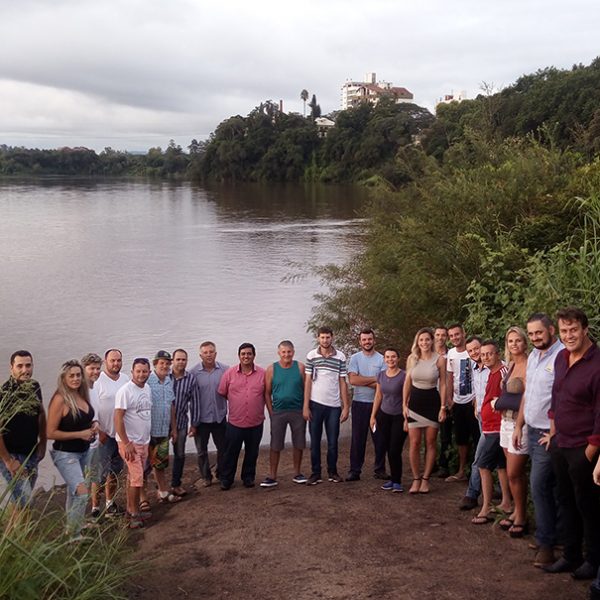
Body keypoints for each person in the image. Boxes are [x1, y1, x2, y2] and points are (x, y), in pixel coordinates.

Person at [542, 307, 600, 580]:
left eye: (573, 329)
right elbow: (557, 395)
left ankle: (594, 561)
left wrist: (591, 448)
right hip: (561, 443)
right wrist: (553, 429)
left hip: (584, 448)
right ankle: (571, 554)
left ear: (585, 329)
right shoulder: (561, 358)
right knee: (565, 500)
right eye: (564, 330)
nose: (568, 335)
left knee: (588, 505)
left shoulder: (597, 363)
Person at [513, 313, 563, 567]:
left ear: (551, 330)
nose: (534, 338)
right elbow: (528, 394)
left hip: (549, 433)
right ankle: (555, 537)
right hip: (532, 430)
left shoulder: (561, 356)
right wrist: (519, 424)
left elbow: (563, 398)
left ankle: (546, 545)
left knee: (539, 485)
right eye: (531, 334)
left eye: (538, 333)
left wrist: (555, 431)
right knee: (551, 488)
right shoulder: (533, 356)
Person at [47, 360, 97, 540]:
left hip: (84, 451)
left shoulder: (81, 394)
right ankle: (74, 537)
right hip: (65, 454)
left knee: (73, 491)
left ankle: (73, 527)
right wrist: (80, 434)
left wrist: (94, 424)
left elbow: (86, 418)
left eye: (78, 375)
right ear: (64, 378)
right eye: (72, 376)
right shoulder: (60, 399)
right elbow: (50, 432)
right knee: (82, 493)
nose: (76, 379)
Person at [471, 340, 511, 525]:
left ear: (497, 354)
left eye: (490, 353)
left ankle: (486, 507)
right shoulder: (491, 373)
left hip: (497, 427)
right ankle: (506, 503)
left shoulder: (503, 372)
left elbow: (509, 397)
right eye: (483, 354)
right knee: (501, 466)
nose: (486, 357)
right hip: (488, 426)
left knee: (483, 465)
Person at [303, 327, 350, 485]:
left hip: (334, 406)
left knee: (332, 442)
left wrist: (346, 406)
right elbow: (308, 381)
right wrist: (306, 406)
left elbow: (342, 382)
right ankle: (315, 473)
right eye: (322, 337)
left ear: (332, 337)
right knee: (315, 441)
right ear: (318, 338)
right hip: (315, 404)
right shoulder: (311, 355)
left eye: (328, 337)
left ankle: (333, 472)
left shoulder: (341, 357)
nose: (325, 340)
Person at [0, 350, 46, 508]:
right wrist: (8, 461)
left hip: (31, 452)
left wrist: (43, 442)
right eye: (20, 366)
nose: (25, 370)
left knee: (20, 502)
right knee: (23, 502)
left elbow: (41, 413)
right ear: (11, 368)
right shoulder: (5, 393)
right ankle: (22, 532)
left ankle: (15, 531)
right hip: (12, 455)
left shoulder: (34, 386)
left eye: (28, 365)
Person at [403, 328, 446, 494]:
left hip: (432, 403)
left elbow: (443, 384)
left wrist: (443, 407)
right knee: (414, 443)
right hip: (415, 403)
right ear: (417, 341)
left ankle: (426, 479)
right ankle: (416, 478)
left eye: (427, 339)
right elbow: (407, 383)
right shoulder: (412, 358)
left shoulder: (439, 360)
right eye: (421, 340)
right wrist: (404, 406)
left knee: (430, 442)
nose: (424, 343)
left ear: (432, 341)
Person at [218, 343, 266, 490]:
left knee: (252, 452)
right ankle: (226, 479)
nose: (246, 356)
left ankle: (248, 477)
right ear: (239, 356)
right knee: (230, 452)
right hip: (235, 422)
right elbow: (223, 392)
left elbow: (267, 394)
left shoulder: (263, 374)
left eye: (249, 354)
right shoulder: (229, 373)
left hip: (255, 422)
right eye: (243, 354)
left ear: (254, 355)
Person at [497, 326, 529, 538]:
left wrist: (518, 425)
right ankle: (517, 510)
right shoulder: (510, 365)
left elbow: (528, 398)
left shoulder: (529, 365)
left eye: (518, 340)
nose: (514, 344)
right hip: (505, 422)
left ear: (524, 343)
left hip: (521, 424)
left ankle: (522, 516)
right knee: (512, 474)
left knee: (514, 472)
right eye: (510, 341)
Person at [114, 358, 153, 529]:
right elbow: (118, 418)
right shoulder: (125, 391)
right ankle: (133, 514)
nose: (141, 374)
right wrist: (126, 442)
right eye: (138, 371)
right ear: (132, 372)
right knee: (137, 479)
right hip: (130, 443)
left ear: (149, 372)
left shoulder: (147, 388)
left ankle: (133, 509)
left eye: (144, 371)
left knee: (134, 478)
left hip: (143, 440)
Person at [262, 340, 307, 487]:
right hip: (278, 412)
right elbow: (267, 393)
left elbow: (307, 389)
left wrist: (306, 408)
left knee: (299, 443)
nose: (286, 354)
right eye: (283, 352)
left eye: (289, 352)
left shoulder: (300, 368)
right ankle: (272, 475)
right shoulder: (271, 369)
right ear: (279, 353)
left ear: (293, 352)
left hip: (298, 411)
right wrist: (271, 411)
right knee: (275, 444)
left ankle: (297, 473)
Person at [346, 328, 386, 482]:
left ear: (374, 340)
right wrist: (374, 380)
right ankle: (355, 470)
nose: (367, 342)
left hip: (378, 404)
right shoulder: (355, 358)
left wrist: (364, 379)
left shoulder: (382, 359)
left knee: (380, 438)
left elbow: (383, 384)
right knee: (357, 438)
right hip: (359, 404)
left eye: (369, 339)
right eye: (364, 339)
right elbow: (353, 381)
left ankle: (380, 469)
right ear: (360, 341)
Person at [189, 341, 228, 487]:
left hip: (219, 416)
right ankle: (206, 476)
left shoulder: (225, 370)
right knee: (201, 451)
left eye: (211, 352)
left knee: (223, 449)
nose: (209, 355)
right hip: (201, 418)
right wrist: (191, 422)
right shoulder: (193, 373)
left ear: (215, 353)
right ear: (200, 355)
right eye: (205, 352)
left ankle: (221, 473)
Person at [95, 348, 128, 516]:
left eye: (119, 360)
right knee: (100, 473)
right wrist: (99, 431)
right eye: (112, 360)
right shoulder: (98, 380)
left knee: (115, 471)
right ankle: (95, 508)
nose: (116, 364)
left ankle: (110, 504)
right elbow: (90, 407)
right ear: (105, 361)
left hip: (120, 435)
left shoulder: (125, 379)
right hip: (103, 435)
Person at [369, 348, 407, 492]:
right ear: (384, 359)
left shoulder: (404, 376)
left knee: (394, 449)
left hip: (399, 416)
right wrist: (373, 416)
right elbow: (378, 396)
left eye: (393, 357)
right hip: (383, 415)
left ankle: (397, 481)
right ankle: (392, 480)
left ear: (398, 358)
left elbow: (406, 398)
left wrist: (406, 418)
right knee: (385, 447)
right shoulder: (381, 375)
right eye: (387, 357)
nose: (390, 359)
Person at [446, 324, 479, 482]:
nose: (454, 338)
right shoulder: (451, 353)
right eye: (451, 335)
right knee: (461, 438)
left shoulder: (472, 350)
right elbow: (450, 376)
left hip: (473, 401)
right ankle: (461, 471)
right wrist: (449, 398)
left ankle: (478, 474)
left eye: (457, 334)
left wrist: (478, 397)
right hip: (458, 402)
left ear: (463, 333)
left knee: (477, 437)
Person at [145, 350, 179, 504]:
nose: (165, 366)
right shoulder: (147, 380)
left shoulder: (169, 381)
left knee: (160, 463)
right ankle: (142, 499)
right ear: (155, 364)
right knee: (143, 467)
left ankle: (163, 492)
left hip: (163, 430)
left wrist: (173, 428)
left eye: (167, 363)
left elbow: (171, 405)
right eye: (162, 363)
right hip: (148, 432)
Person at [459, 336, 488, 510]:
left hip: (496, 421)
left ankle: (472, 493)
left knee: (480, 456)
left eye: (476, 349)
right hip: (481, 418)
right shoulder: (475, 368)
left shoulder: (500, 367)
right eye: (470, 351)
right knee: (493, 457)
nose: (474, 353)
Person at [170, 348, 201, 497]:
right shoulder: (163, 376)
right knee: (158, 456)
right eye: (178, 359)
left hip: (181, 422)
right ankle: (161, 486)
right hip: (162, 423)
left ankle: (176, 484)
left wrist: (194, 424)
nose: (181, 362)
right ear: (172, 361)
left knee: (180, 455)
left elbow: (195, 403)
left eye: (184, 360)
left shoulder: (190, 379)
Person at [81, 353, 103, 519]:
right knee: (82, 482)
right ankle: (78, 519)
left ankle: (95, 508)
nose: (95, 371)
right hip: (82, 446)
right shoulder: (80, 391)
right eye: (91, 368)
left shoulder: (94, 389)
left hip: (95, 443)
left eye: (97, 368)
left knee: (96, 476)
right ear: (83, 369)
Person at [434, 326, 453, 478]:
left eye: (443, 335)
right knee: (430, 433)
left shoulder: (450, 354)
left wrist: (448, 399)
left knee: (445, 434)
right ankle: (431, 463)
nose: (440, 338)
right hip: (429, 397)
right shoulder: (427, 353)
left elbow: (449, 379)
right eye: (438, 335)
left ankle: (444, 464)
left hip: (445, 398)